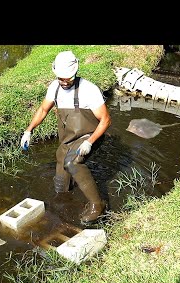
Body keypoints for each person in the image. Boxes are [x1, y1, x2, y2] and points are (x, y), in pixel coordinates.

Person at [20, 50, 112, 224]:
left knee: (72, 162)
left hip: (90, 135)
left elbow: (106, 120)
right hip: (68, 137)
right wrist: (29, 130)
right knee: (61, 170)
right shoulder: (55, 87)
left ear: (75, 72)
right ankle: (64, 197)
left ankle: (97, 205)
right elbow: (43, 110)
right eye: (60, 78)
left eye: (67, 78)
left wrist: (89, 142)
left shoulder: (88, 90)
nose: (63, 82)